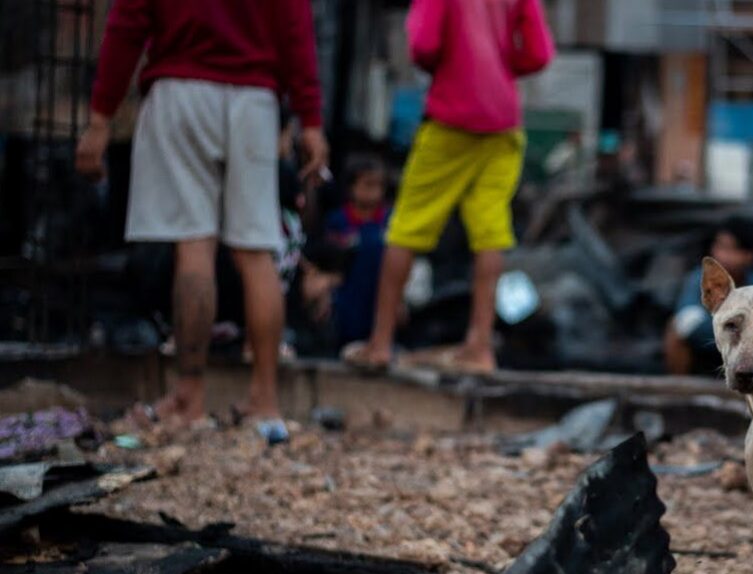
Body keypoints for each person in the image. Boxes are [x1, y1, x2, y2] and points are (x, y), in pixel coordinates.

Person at [76, 0, 328, 443]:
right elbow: (296, 27)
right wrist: (309, 119)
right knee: (257, 250)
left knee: (194, 245)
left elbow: (129, 22)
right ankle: (265, 402)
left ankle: (190, 397)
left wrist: (101, 117)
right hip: (254, 97)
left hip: (181, 91)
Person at [344, 0, 555, 375]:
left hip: (452, 114)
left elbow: (423, 45)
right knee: (490, 229)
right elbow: (538, 53)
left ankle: (380, 344)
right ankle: (480, 346)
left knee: (407, 225)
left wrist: (453, 66)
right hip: (503, 120)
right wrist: (501, 63)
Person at [665, 222, 753, 376]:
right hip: (709, 345)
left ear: (749, 255)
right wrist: (736, 332)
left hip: (749, 354)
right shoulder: (699, 279)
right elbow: (687, 320)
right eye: (719, 246)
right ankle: (679, 385)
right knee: (675, 329)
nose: (722, 255)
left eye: (731, 249)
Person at [323, 157, 390, 348]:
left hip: (378, 290)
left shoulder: (389, 221)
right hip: (346, 294)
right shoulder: (338, 221)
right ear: (351, 187)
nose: (373, 191)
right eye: (367, 185)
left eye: (378, 185)